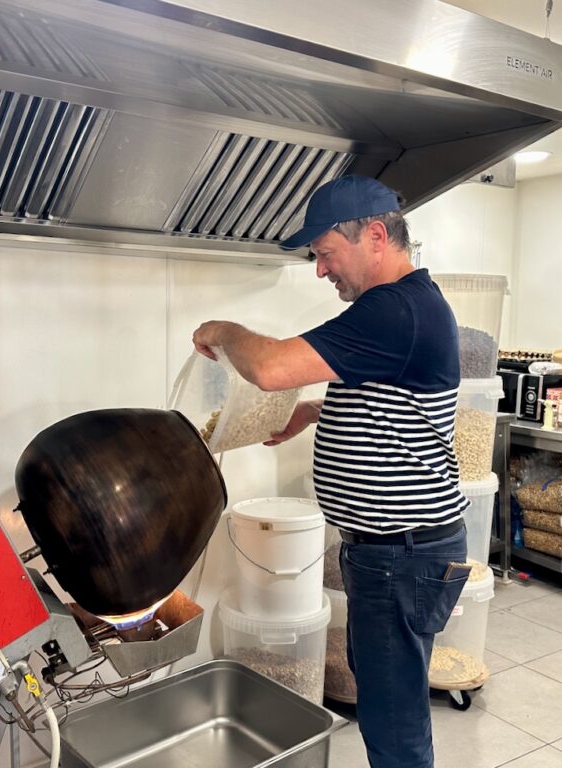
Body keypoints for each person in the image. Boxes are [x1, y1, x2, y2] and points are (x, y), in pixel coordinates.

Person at [192, 175, 469, 768]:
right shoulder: (401, 308)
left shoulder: (394, 309)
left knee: (394, 724)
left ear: (374, 235)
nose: (320, 270)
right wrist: (316, 412)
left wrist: (220, 330)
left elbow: (268, 368)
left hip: (401, 551)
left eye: (323, 254)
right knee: (389, 703)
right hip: (396, 548)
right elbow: (399, 398)